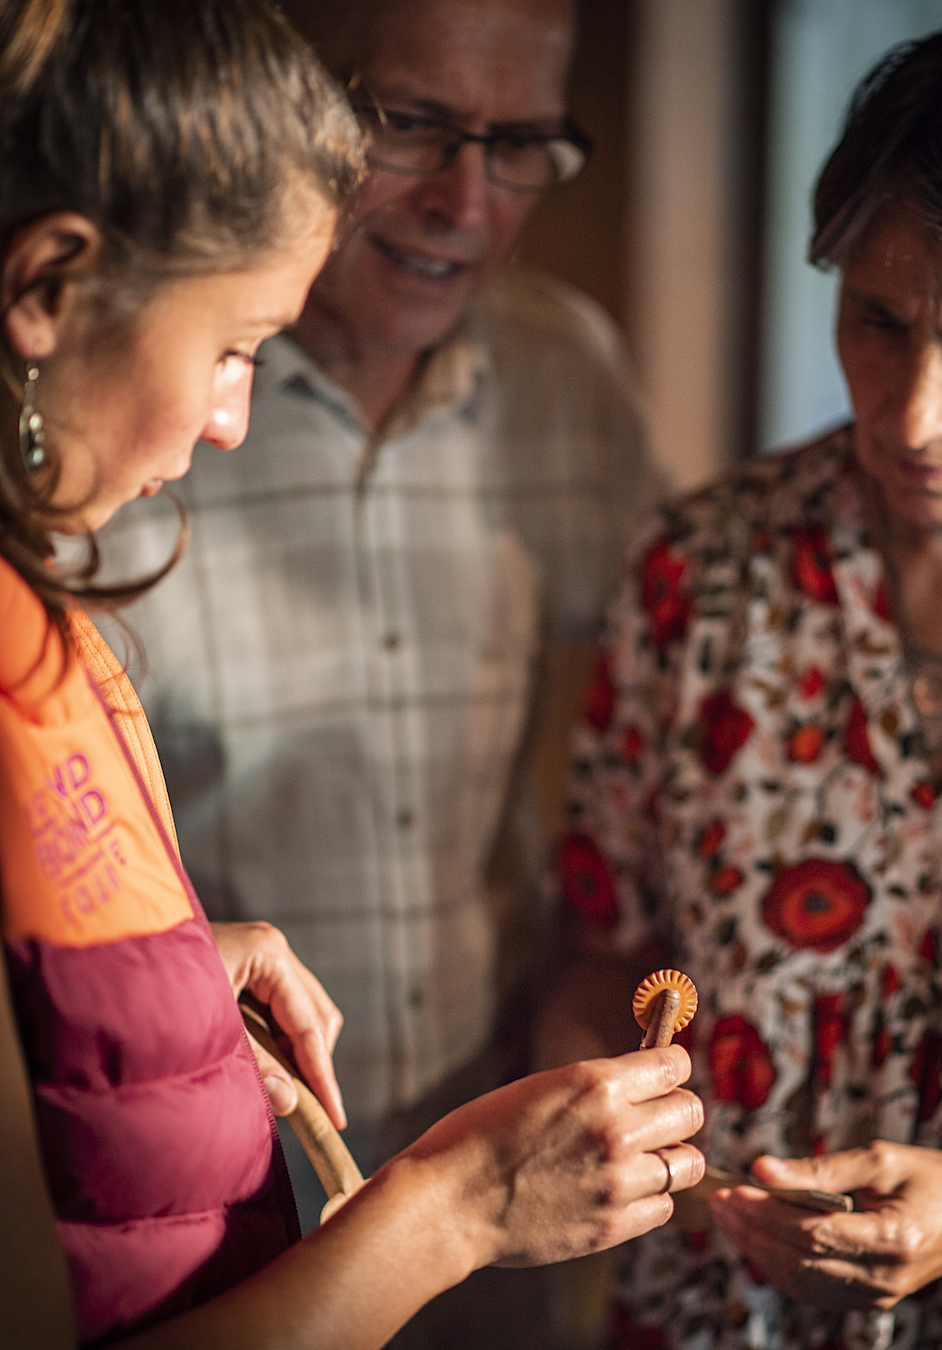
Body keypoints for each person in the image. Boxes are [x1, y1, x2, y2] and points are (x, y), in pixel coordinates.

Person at [0, 2, 709, 1346]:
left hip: (448, 1137)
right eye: (412, 124)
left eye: (516, 145)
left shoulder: (569, 378)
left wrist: (159, 978)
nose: (463, 199)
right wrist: (460, 1203)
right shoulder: (82, 507)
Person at [538, 15, 942, 1350]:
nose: (908, 414)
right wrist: (629, 1126)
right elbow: (602, 951)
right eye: (878, 322)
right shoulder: (706, 571)